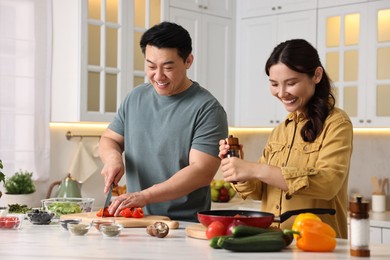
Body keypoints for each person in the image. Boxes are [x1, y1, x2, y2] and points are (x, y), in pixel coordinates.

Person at [219, 39, 353, 238]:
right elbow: (259, 192)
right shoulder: (280, 130)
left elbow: (328, 184)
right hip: (274, 242)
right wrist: (239, 169)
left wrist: (255, 169)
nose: (281, 93)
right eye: (274, 84)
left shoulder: (337, 123)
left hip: (319, 244)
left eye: (291, 83)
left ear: (316, 75)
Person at [99, 21, 228, 222]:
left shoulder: (208, 109)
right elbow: (110, 139)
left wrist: (144, 196)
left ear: (188, 61)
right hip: (135, 221)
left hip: (182, 225)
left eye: (168, 67)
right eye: (151, 66)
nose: (158, 76)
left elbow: (201, 171)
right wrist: (113, 159)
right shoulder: (135, 98)